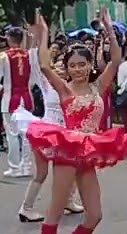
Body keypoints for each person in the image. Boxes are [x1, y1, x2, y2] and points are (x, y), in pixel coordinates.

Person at [17, 10, 127, 234]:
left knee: (94, 214)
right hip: (68, 151)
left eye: (83, 64)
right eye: (73, 65)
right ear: (67, 68)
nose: (78, 69)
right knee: (56, 209)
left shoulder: (98, 87)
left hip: (89, 152)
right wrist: (43, 33)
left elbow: (116, 60)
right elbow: (44, 66)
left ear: (90, 64)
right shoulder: (65, 90)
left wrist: (108, 28)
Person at [16, 31, 87, 223]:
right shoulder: (47, 83)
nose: (60, 70)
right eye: (56, 66)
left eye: (63, 67)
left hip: (66, 133)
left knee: (74, 166)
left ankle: (68, 200)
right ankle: (27, 207)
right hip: (48, 132)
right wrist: (40, 35)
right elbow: (36, 61)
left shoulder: (72, 86)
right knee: (43, 172)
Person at [0, 26, 38, 178]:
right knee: (26, 134)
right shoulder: (29, 56)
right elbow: (34, 79)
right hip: (27, 98)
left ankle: (15, 167)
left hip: (10, 98)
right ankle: (27, 166)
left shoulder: (2, 56)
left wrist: (1, 89)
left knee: (12, 134)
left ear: (9, 38)